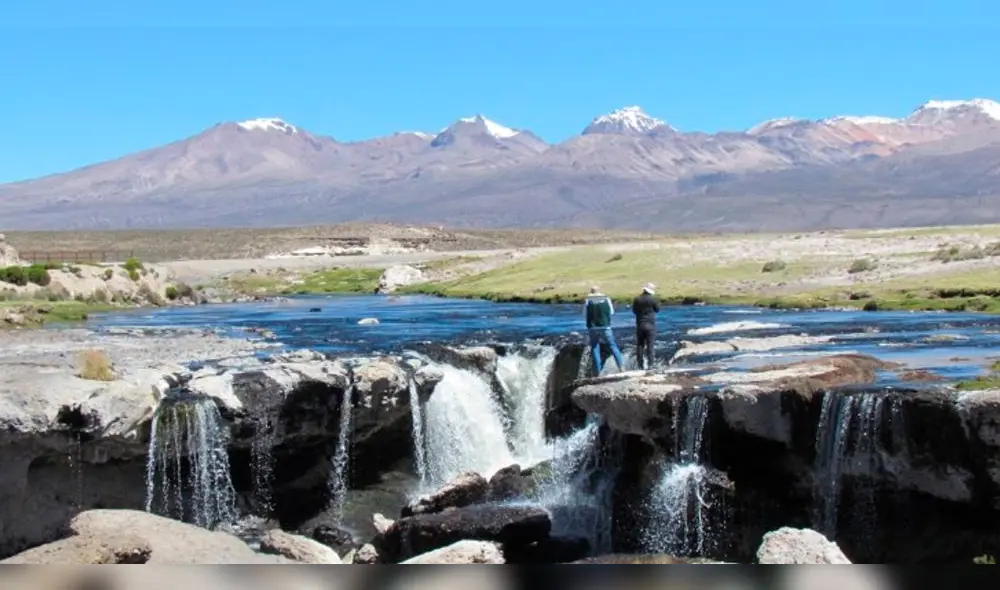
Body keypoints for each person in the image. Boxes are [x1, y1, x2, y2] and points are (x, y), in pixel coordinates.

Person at [584, 286, 625, 375]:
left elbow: (585, 313)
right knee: (613, 346)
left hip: (593, 327)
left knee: (595, 348)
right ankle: (621, 366)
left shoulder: (588, 300)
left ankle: (599, 372)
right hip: (605, 327)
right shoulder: (606, 299)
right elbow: (611, 312)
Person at [632, 283, 661, 370]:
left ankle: (640, 365)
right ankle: (651, 365)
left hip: (640, 324)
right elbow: (657, 310)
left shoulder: (637, 299)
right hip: (650, 324)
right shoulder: (654, 299)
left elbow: (634, 311)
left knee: (640, 345)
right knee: (650, 345)